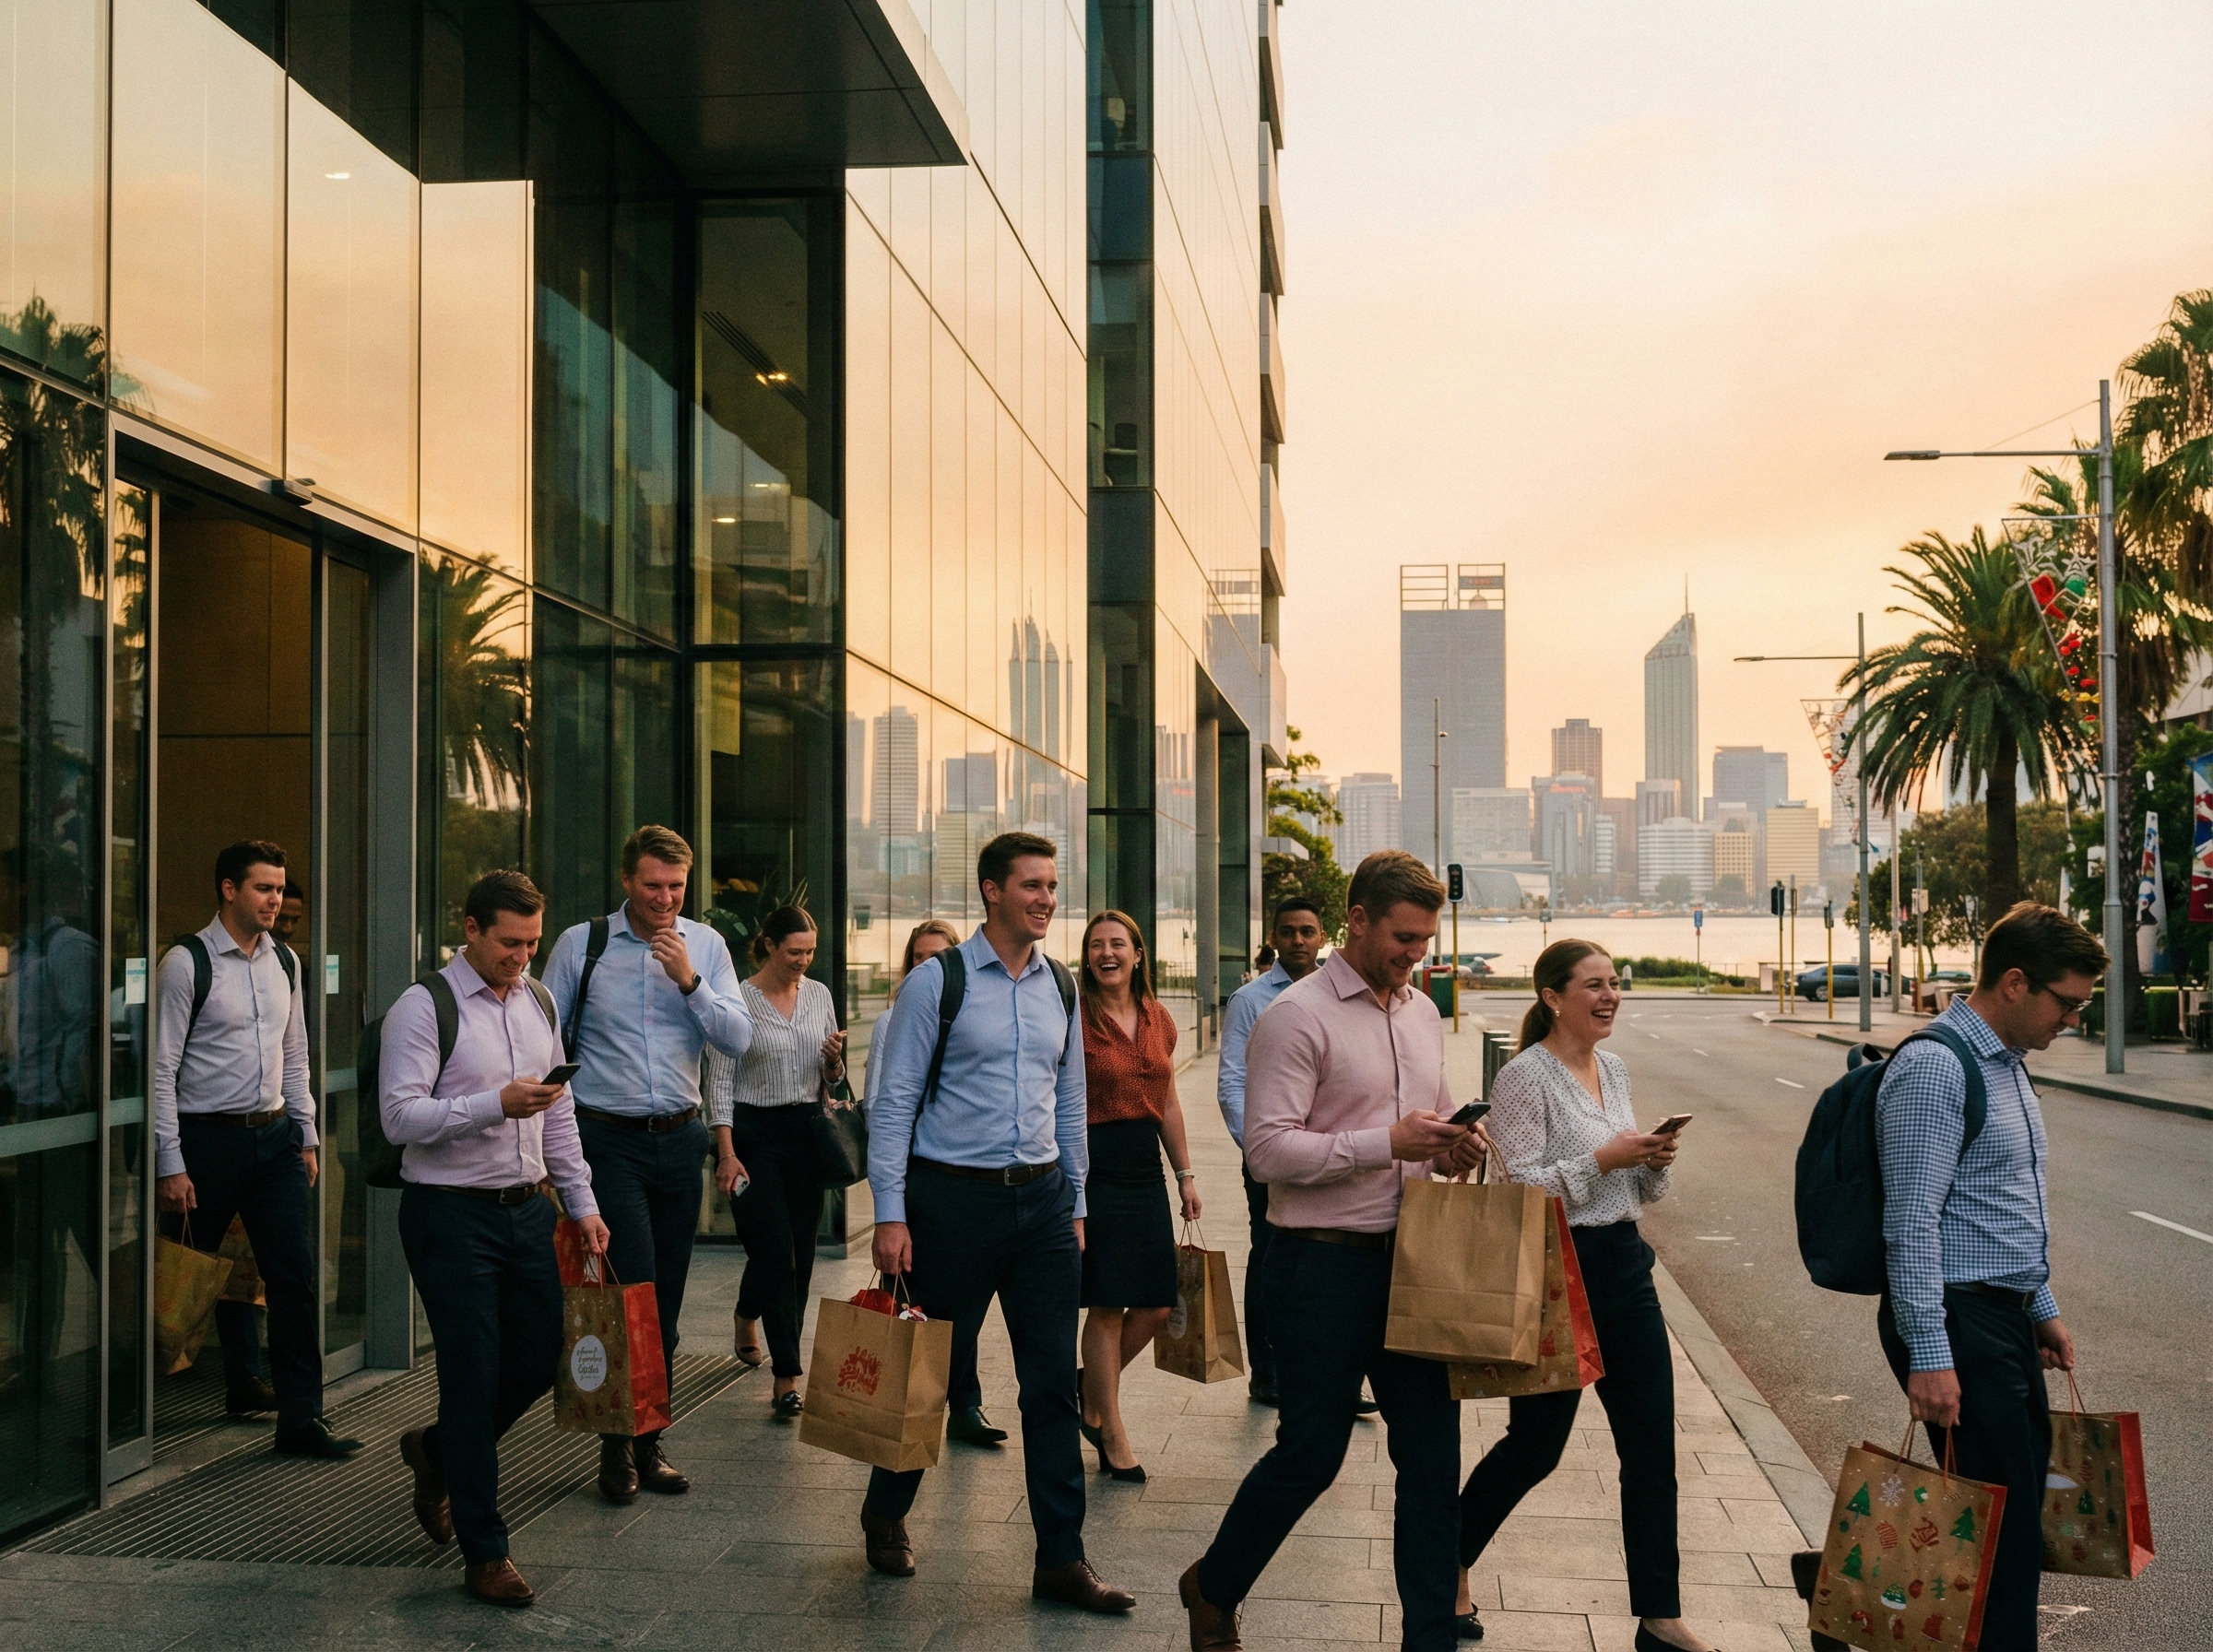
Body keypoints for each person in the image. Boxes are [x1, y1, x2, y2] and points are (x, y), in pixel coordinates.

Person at [1180, 851, 1485, 1652]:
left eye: (1425, 939)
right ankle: (1212, 1586)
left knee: (1431, 1462)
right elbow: (1267, 1153)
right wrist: (1386, 1142)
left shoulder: (1420, 1012)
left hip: (1412, 1261)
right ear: (1357, 920)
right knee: (1309, 1457)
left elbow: (1430, 1112)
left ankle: (1431, 1640)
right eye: (1403, 937)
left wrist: (1451, 1140)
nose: (1415, 954)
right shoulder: (1296, 1017)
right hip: (1317, 1266)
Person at [858, 832, 1134, 1614]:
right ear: (990, 890)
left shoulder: (1062, 985)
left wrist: (1076, 1202)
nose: (1048, 899)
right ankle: (885, 1511)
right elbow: (893, 1105)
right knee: (929, 1375)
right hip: (953, 1204)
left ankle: (1062, 1559)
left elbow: (1070, 1101)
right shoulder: (935, 985)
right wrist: (890, 1213)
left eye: (1052, 886)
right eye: (1032, 887)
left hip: (1043, 1204)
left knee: (1050, 1385)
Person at [1454, 940, 1713, 1652]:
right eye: (1593, 985)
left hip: (1624, 1269)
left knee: (1651, 1452)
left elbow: (1635, 1190)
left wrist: (1651, 1162)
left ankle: (1660, 1616)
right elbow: (1516, 1192)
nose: (1610, 996)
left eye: (1615, 983)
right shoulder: (1523, 1077)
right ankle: (1448, 1557)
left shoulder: (1615, 1067)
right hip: (1553, 1275)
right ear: (1552, 996)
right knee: (1535, 1448)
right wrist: (1604, 1157)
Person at [384, 869, 609, 1609]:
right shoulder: (424, 1008)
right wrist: (493, 1105)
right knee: (472, 1377)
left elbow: (559, 1111)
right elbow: (400, 1119)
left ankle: (440, 1451)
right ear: (471, 929)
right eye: (509, 943)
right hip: (449, 1216)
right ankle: (487, 1552)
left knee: (543, 1355)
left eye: (533, 943)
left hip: (527, 1210)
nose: (522, 957)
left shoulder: (539, 1000)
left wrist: (581, 1203)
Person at [1877, 902, 2099, 1652]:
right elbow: (1911, 1222)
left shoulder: (2006, 1068)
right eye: (2066, 1002)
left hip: (1999, 1315)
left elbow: (2004, 1209)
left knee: (2007, 1522)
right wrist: (1931, 1355)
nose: (2072, 1019)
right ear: (2013, 982)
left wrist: (2041, 1305)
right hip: (1957, 1318)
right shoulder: (1937, 1067)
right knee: (1999, 1538)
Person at [543, 824, 752, 1504]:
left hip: (679, 1138)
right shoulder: (584, 945)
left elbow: (739, 1038)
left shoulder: (707, 947)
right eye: (653, 885)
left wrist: (688, 980)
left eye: (676, 887)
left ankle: (647, 1440)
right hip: (606, 1141)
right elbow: (543, 1041)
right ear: (627, 880)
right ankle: (617, 1450)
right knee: (627, 1289)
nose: (664, 899)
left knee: (663, 1297)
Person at [151, 841, 357, 1458]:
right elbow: (161, 1071)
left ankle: (301, 1419)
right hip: (205, 1141)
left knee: (293, 1279)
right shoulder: (186, 963)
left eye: (278, 888)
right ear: (229, 890)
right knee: (181, 1286)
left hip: (274, 1143)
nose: (274, 900)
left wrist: (308, 1135)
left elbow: (296, 1057)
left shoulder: (285, 963)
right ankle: (132, 1422)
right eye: (263, 888)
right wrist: (172, 1162)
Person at [1075, 909, 1201, 1481]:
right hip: (1093, 1168)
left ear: (1138, 953)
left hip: (1144, 1171)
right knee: (1106, 1302)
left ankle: (1091, 1386)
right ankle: (1109, 1427)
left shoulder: (1158, 1018)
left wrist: (1186, 1176)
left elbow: (1168, 1102)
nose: (1107, 953)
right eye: (1097, 944)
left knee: (1154, 1300)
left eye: (1117, 944)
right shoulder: (1075, 1015)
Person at [706, 904, 846, 1419]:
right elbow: (718, 1083)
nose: (803, 962)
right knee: (774, 1253)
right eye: (794, 952)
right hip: (753, 1135)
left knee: (799, 1256)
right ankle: (787, 1375)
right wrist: (726, 1152)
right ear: (768, 944)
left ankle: (747, 1312)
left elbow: (831, 1080)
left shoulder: (819, 995)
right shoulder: (737, 1001)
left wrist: (832, 1061)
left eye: (810, 952)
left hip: (806, 1133)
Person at [890, 917, 1007, 1448]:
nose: (928, 965)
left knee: (959, 1308)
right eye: (918, 957)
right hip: (920, 1176)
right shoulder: (903, 1014)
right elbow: (886, 1103)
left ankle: (965, 1403)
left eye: (937, 955)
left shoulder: (970, 1004)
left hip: (959, 1177)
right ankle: (908, 1406)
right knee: (924, 1305)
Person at [1217, 897, 1328, 1409]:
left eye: (1308, 931)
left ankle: (1332, 1375)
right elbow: (1232, 1084)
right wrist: (1260, 1149)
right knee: (1270, 1259)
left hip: (1331, 1154)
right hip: (1272, 1158)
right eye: (1289, 931)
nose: (1299, 940)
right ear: (1274, 939)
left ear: (1323, 937)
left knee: (1328, 1263)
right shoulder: (1250, 1001)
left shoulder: (1341, 996)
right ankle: (1268, 1374)